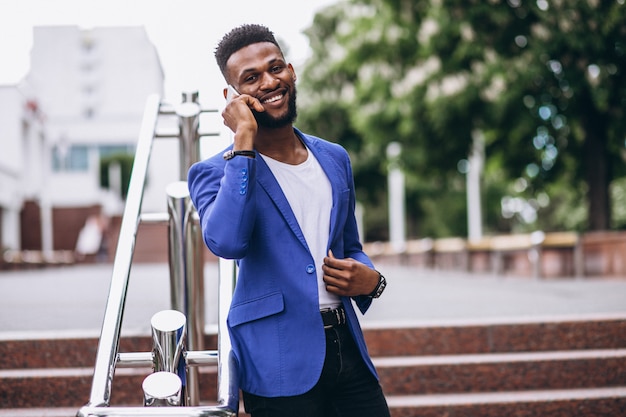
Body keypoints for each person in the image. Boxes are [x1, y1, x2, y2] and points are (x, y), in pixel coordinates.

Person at [187, 24, 390, 417]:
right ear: (232, 96)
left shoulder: (334, 158)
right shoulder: (213, 172)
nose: (268, 81)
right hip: (276, 357)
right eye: (251, 78)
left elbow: (350, 247)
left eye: (275, 67)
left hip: (347, 348)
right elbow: (227, 242)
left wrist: (372, 280)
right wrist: (243, 141)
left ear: (291, 71)